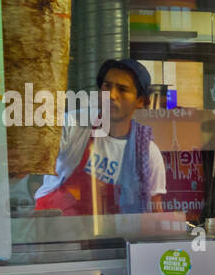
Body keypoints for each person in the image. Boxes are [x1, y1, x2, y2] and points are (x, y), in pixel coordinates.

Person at [35, 59, 168, 215]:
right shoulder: (74, 125)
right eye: (107, 86)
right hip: (55, 228)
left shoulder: (146, 153)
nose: (111, 95)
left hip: (107, 234)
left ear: (140, 101)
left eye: (122, 89)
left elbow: (154, 211)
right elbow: (35, 158)